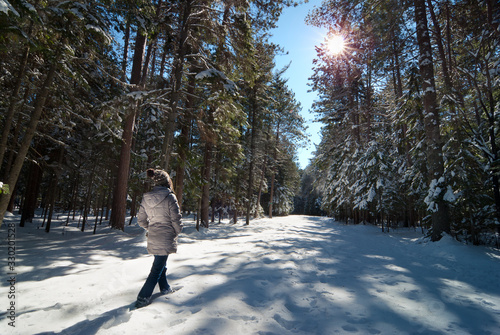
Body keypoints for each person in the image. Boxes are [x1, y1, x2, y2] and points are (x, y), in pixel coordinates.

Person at [135, 168, 183, 308]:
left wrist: (151, 228)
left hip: (154, 236)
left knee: (160, 263)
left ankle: (165, 288)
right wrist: (176, 231)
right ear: (167, 181)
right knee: (157, 268)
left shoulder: (146, 197)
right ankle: (143, 297)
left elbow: (141, 220)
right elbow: (176, 219)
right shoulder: (170, 197)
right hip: (166, 236)